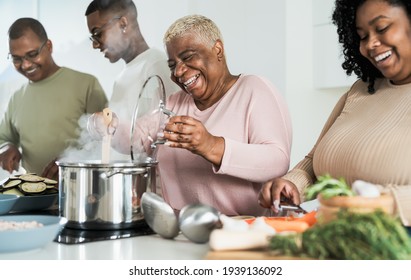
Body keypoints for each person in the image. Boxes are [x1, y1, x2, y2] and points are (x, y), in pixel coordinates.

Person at [89, 14, 292, 216]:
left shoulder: (254, 89)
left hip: (245, 231)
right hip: (183, 231)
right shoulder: (174, 102)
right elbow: (138, 138)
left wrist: (210, 145)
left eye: (187, 57)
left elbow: (276, 160)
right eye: (172, 65)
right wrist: (110, 127)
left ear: (218, 50)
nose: (178, 71)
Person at [258, 0, 411, 226]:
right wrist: (292, 184)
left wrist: (386, 202)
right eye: (362, 36)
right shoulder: (360, 90)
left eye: (381, 28)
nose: (371, 44)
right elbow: (314, 162)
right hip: (334, 238)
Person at [0, 18, 108, 180]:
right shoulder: (17, 97)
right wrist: (6, 147)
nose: (26, 65)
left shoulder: (86, 84)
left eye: (32, 54)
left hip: (81, 193)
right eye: (17, 59)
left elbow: (107, 140)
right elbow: (4, 138)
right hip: (33, 198)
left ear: (49, 46)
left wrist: (71, 163)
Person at [85, 0, 178, 123]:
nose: (94, 45)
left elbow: (174, 125)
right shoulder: (120, 79)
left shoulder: (157, 65)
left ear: (123, 24)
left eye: (97, 33)